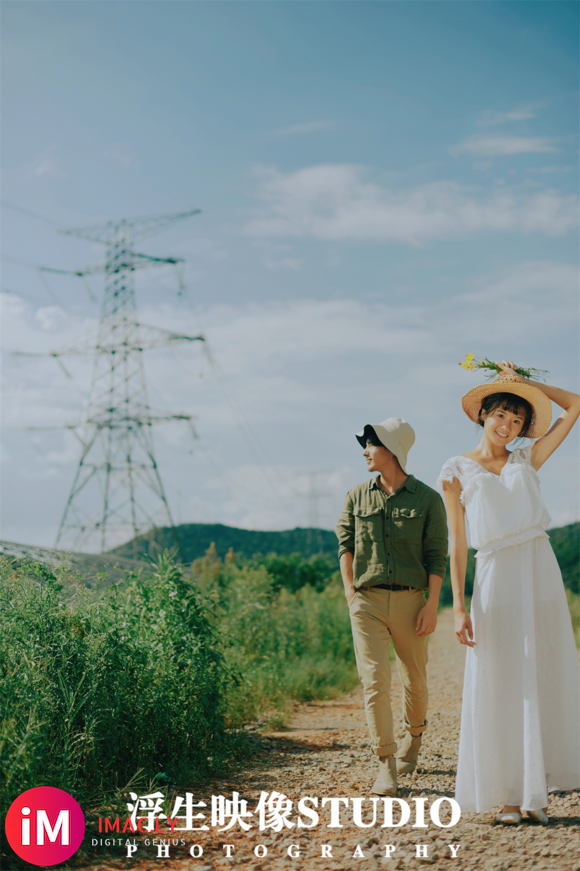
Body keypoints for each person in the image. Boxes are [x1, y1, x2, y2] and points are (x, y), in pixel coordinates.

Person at [438, 360, 580, 825]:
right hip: (495, 573)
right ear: (483, 415)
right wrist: (458, 607)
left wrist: (523, 383)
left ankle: (536, 792)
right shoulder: (456, 469)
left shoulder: (527, 458)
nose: (508, 425)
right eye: (501, 413)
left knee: (541, 671)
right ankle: (507, 797)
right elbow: (456, 543)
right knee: (501, 676)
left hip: (538, 568)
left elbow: (575, 405)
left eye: (518, 419)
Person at [336, 417, 448, 796]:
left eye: (371, 444)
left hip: (411, 601)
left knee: (414, 680)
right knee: (374, 682)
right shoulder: (355, 496)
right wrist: (350, 591)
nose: (364, 452)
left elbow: (436, 557)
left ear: (393, 450)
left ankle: (413, 738)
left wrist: (431, 605)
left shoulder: (429, 500)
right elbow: (345, 545)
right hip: (366, 601)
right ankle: (386, 763)